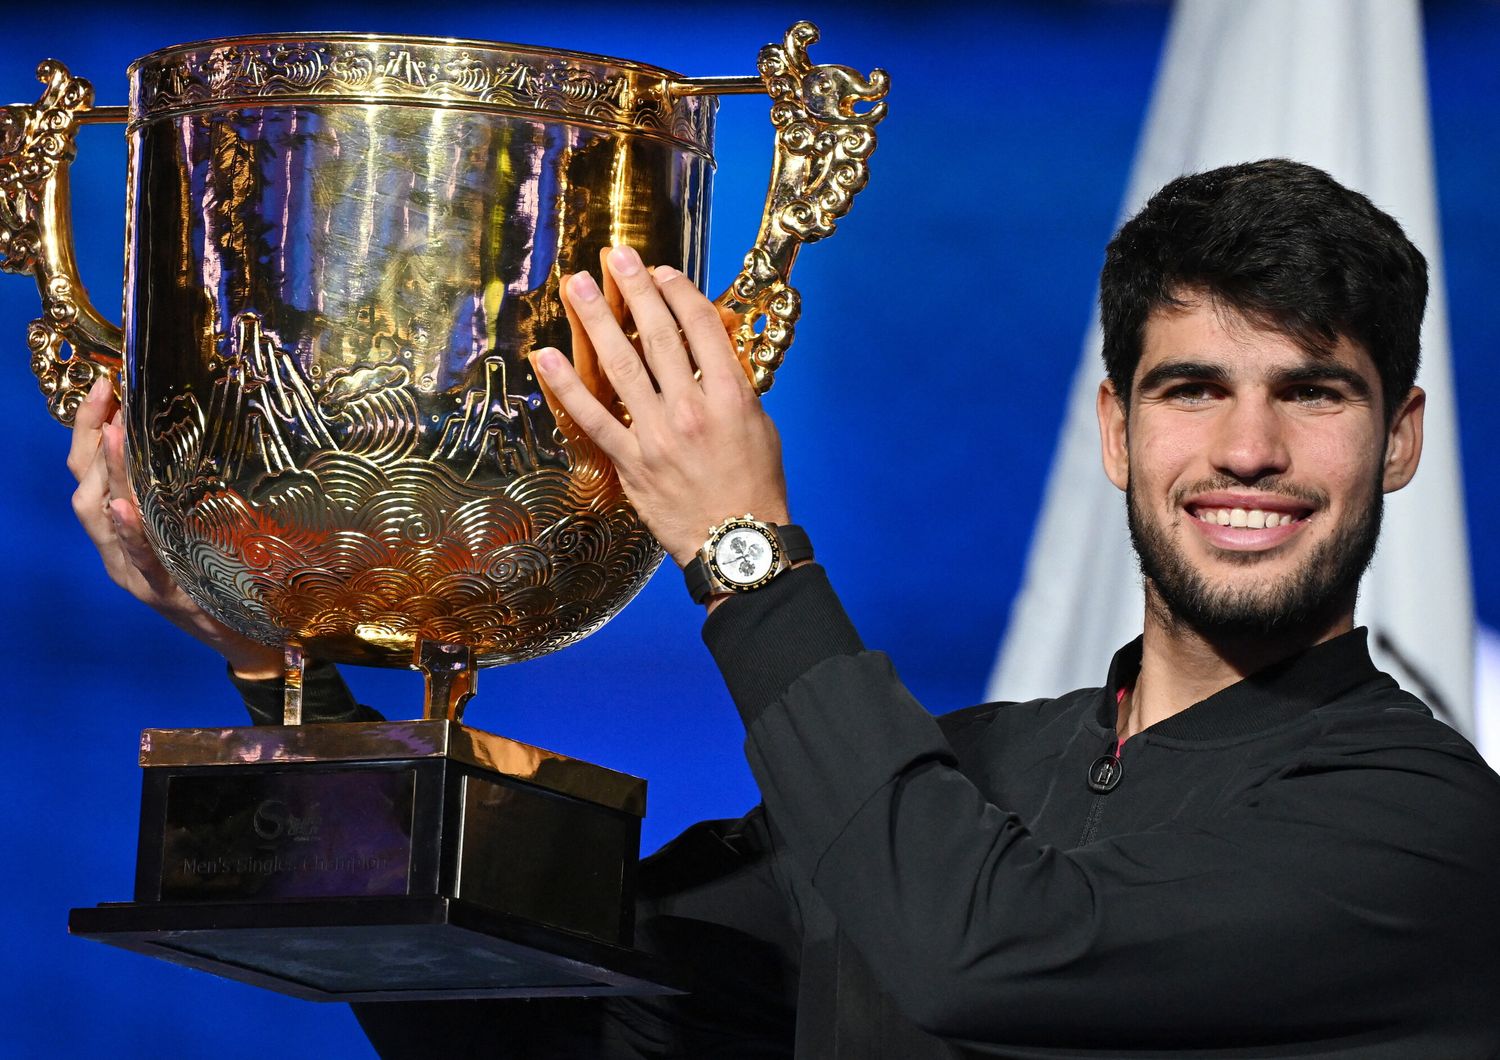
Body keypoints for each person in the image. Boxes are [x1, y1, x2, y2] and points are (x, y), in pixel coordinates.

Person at [69, 159, 1500, 1057]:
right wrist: (278, 657)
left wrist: (744, 550)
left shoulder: (1424, 825)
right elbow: (523, 1016)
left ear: (1401, 439)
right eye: (1197, 389)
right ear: (1118, 434)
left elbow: (974, 956)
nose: (1249, 450)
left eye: (1314, 393)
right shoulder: (962, 774)